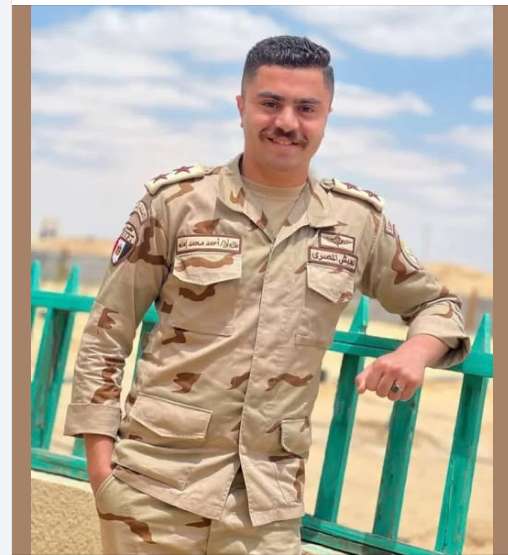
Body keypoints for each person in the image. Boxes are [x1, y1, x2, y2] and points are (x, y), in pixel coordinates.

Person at [64, 35, 470, 555]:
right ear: (241, 106)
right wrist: (103, 474)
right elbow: (107, 333)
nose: (287, 122)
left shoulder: (355, 222)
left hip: (267, 510)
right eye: (270, 103)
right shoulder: (178, 204)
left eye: (306, 108)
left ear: (327, 115)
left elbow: (439, 304)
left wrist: (416, 351)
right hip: (152, 492)